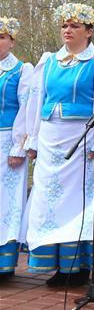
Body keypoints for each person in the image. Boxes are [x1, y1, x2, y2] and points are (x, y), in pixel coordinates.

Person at [22, 3, 94, 287]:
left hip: (83, 140)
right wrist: (33, 138)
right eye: (64, 25)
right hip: (52, 141)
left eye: (75, 26)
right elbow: (36, 103)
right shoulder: (48, 61)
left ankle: (79, 267)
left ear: (89, 32)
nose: (68, 30)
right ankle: (56, 264)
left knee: (79, 203)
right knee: (48, 201)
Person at [0, 17, 33, 279]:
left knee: (7, 202)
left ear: (12, 41)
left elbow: (26, 110)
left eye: (2, 36)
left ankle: (4, 263)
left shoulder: (22, 70)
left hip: (7, 141)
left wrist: (18, 147)